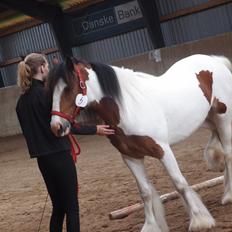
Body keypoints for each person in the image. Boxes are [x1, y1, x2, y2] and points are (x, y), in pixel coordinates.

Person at [16, 53, 114, 232]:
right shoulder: (47, 95)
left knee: (58, 207)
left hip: (42, 161)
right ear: (43, 68)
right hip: (60, 156)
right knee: (71, 207)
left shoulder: (20, 103)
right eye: (47, 66)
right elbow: (66, 125)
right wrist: (95, 129)